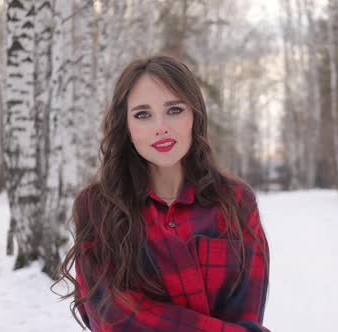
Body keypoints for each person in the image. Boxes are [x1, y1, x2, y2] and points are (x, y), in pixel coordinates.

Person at [56, 55, 270, 331]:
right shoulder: (96, 206)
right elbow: (113, 317)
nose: (161, 128)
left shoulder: (236, 201)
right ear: (127, 127)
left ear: (195, 115)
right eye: (143, 115)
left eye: (175, 110)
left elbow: (248, 310)